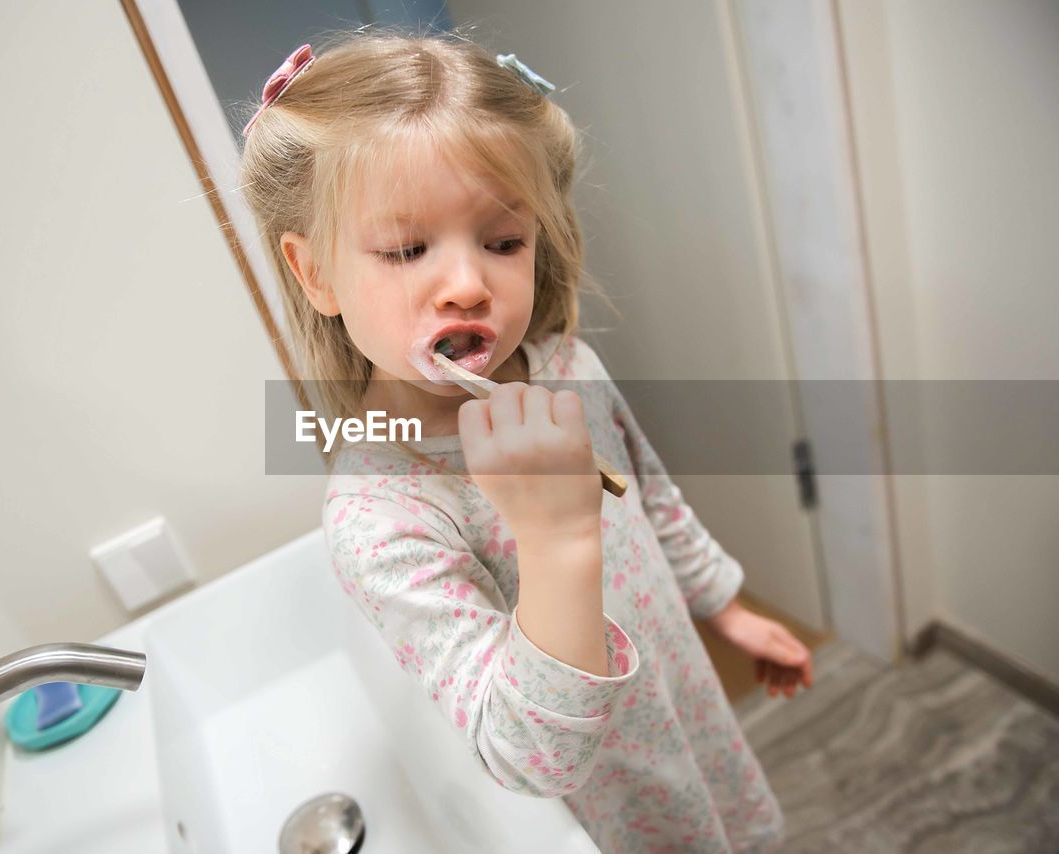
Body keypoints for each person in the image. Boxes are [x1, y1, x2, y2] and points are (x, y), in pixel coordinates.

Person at [238, 27, 813, 853]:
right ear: (316, 272)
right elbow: (526, 753)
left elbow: (651, 499)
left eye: (503, 241)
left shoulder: (569, 367)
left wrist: (722, 602)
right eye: (407, 249)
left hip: (689, 721)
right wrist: (554, 536)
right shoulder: (381, 516)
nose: (469, 283)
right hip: (601, 817)